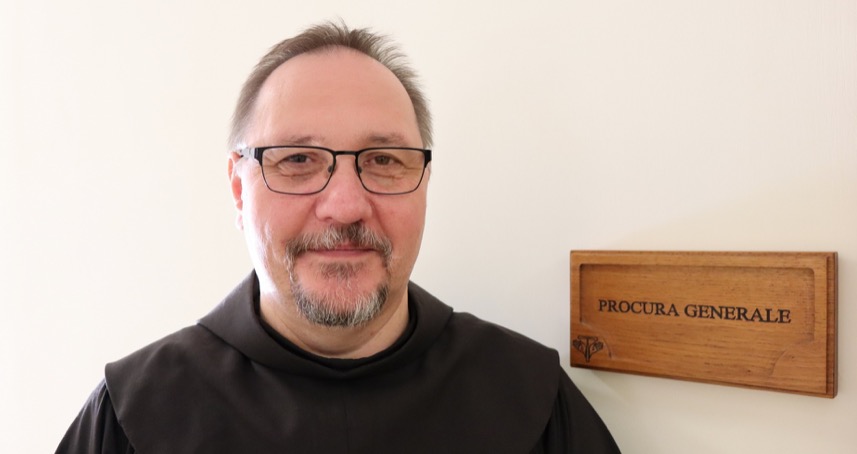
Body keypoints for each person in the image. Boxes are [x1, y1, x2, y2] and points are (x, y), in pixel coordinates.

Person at [57, 21, 621, 453]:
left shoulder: (531, 401)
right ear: (238, 189)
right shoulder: (132, 418)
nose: (346, 206)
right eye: (297, 160)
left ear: (424, 182)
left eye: (384, 160)